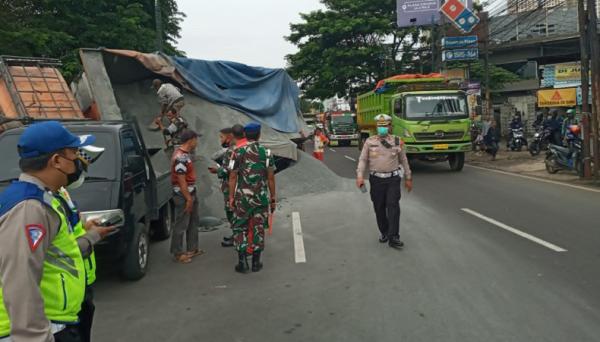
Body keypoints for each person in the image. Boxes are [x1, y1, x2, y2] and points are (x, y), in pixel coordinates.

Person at [0, 121, 113, 342]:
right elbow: (20, 280)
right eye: (74, 154)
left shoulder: (44, 198)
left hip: (58, 321)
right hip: (44, 330)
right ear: (57, 161)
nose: (78, 162)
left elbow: (60, 252)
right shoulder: (29, 208)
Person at [55, 144, 108, 342]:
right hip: (64, 295)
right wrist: (93, 236)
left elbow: (68, 230)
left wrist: (85, 227)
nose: (81, 173)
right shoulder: (43, 202)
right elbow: (60, 250)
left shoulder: (62, 193)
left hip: (79, 282)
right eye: (80, 166)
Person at [356, 114, 413, 249]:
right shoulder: (369, 142)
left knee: (393, 205)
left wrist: (408, 178)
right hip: (376, 180)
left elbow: (404, 160)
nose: (382, 128)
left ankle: (394, 237)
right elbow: (363, 160)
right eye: (380, 126)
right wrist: (359, 176)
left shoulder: (398, 141)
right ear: (377, 127)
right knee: (379, 207)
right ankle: (385, 232)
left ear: (390, 126)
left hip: (393, 179)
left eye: (385, 125)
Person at [228, 123, 276, 273]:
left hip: (242, 198)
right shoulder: (267, 153)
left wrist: (231, 197)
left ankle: (242, 263)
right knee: (258, 227)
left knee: (240, 228)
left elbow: (232, 176)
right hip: (260, 197)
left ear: (245, 135)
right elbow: (271, 178)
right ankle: (256, 262)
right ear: (259, 135)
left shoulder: (236, 152)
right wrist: (273, 197)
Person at [170, 129, 203, 264]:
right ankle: (177, 253)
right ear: (191, 140)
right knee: (181, 224)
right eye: (196, 139)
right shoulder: (181, 158)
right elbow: (181, 181)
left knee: (193, 221)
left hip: (190, 191)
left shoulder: (185, 154)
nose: (197, 142)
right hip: (183, 194)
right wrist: (188, 198)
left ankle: (192, 248)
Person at [209, 126, 237, 247]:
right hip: (234, 186)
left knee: (232, 212)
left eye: (221, 137)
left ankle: (237, 237)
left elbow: (229, 171)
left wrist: (218, 170)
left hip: (232, 188)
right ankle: (237, 235)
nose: (220, 139)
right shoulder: (235, 149)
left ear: (229, 137)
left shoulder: (232, 151)